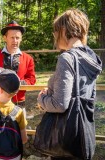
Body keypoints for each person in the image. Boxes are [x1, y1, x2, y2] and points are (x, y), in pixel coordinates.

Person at [37, 9, 102, 159]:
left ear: (63, 30)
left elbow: (60, 104)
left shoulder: (67, 58)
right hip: (83, 135)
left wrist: (42, 99)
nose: (54, 36)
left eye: (55, 31)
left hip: (65, 139)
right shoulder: (91, 57)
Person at [0, 20, 36, 107]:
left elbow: (31, 79)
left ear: (21, 39)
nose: (15, 41)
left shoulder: (28, 58)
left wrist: (19, 83)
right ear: (5, 38)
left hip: (19, 102)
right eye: (12, 37)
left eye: (17, 38)